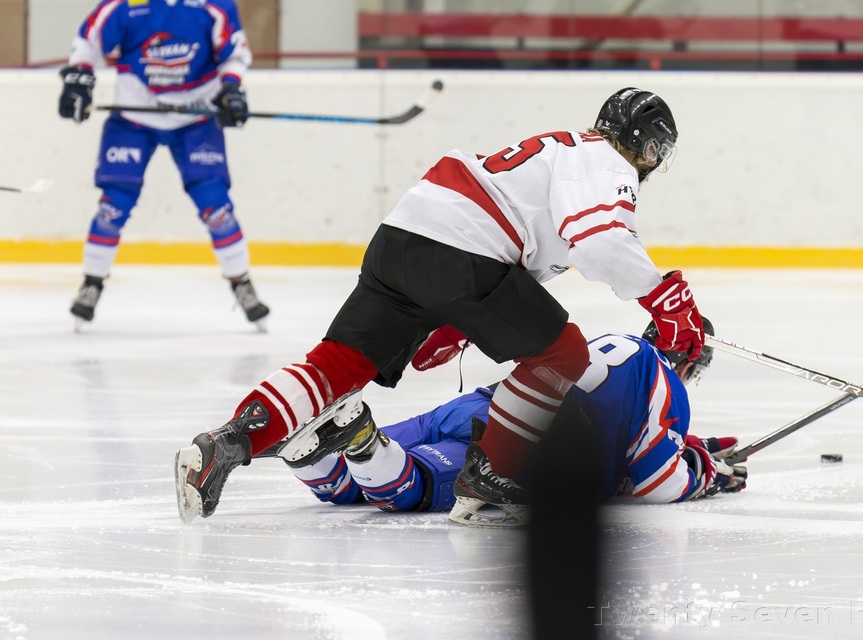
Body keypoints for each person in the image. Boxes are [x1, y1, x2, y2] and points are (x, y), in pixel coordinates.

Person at [174, 87, 707, 525]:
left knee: (337, 365)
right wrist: (667, 301)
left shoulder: (563, 152)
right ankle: (491, 471)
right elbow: (601, 242)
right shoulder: (605, 161)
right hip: (463, 248)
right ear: (649, 148)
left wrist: (455, 321)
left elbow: (528, 260)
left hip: (403, 237)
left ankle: (225, 444)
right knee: (564, 354)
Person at [275, 319, 746, 527]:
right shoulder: (668, 382)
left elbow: (615, 421)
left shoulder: (618, 347)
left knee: (345, 487)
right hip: (515, 443)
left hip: (481, 406)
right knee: (404, 490)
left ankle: (310, 453)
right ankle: (361, 441)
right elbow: (658, 483)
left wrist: (687, 443)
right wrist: (706, 473)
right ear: (689, 359)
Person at [58, 0, 269, 328]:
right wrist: (79, 77)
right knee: (113, 206)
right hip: (133, 118)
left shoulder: (213, 6)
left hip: (195, 118)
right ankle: (92, 283)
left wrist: (231, 87)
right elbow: (90, 38)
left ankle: (241, 282)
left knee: (216, 206)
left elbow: (234, 52)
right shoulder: (126, 5)